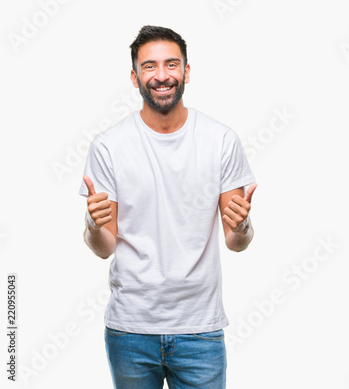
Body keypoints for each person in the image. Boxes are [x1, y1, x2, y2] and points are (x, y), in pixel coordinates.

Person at [78, 25, 257, 389]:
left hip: (199, 331)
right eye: (149, 66)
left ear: (186, 72)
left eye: (171, 64)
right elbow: (103, 248)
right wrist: (94, 226)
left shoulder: (220, 140)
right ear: (134, 77)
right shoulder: (109, 146)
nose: (162, 76)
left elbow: (236, 242)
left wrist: (242, 227)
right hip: (131, 330)